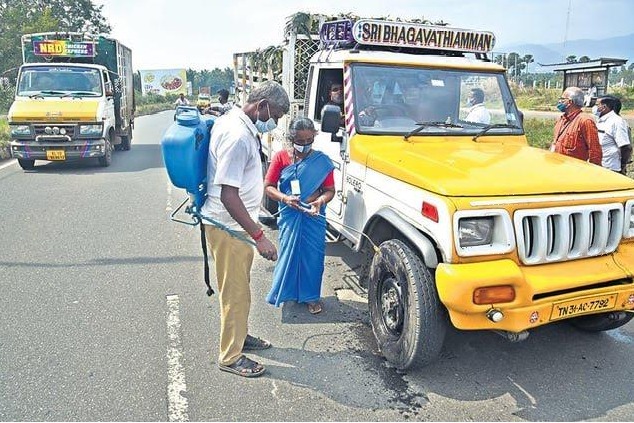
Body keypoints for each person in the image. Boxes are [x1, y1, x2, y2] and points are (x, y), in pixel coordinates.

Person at [199, 80, 290, 378]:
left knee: (240, 289)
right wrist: (259, 236)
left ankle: (240, 335)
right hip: (230, 228)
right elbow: (228, 195)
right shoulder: (238, 135)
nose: (274, 122)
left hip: (234, 226)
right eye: (274, 114)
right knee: (235, 293)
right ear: (262, 105)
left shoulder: (238, 124)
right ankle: (230, 356)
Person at [263, 117, 335, 315]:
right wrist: (285, 198)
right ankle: (287, 293)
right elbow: (268, 187)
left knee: (313, 258)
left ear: (314, 137)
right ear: (291, 138)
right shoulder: (281, 158)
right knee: (290, 255)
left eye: (308, 140)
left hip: (314, 217)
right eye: (300, 141)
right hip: (289, 216)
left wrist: (320, 201)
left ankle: (311, 297)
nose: (304, 145)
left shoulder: (322, 161)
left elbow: (330, 190)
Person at [550, 86, 602, 166]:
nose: (560, 101)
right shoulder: (561, 120)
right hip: (558, 167)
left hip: (575, 171)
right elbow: (554, 143)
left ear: (570, 102)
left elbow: (595, 152)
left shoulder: (585, 121)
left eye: (562, 99)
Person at [594, 95, 632, 174]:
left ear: (604, 107)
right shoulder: (600, 120)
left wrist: (622, 165)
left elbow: (626, 147)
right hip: (599, 165)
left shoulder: (617, 122)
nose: (595, 107)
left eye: (597, 105)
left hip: (610, 167)